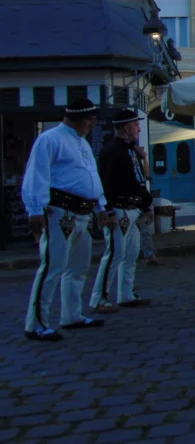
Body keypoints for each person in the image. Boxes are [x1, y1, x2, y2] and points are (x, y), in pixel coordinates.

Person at [22, 99, 112, 341]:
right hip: (60, 212)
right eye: (89, 120)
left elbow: (91, 175)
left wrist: (101, 204)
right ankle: (36, 323)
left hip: (83, 213)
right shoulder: (50, 139)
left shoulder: (80, 142)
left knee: (78, 267)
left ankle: (71, 315)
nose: (92, 124)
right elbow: (37, 173)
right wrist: (35, 209)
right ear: (75, 118)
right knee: (52, 266)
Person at [89, 109, 154, 314]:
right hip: (119, 209)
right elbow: (104, 184)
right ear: (126, 127)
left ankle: (126, 294)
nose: (138, 128)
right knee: (115, 253)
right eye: (136, 125)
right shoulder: (111, 152)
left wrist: (145, 205)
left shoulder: (132, 151)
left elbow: (138, 181)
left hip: (133, 210)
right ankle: (99, 298)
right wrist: (106, 211)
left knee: (131, 253)